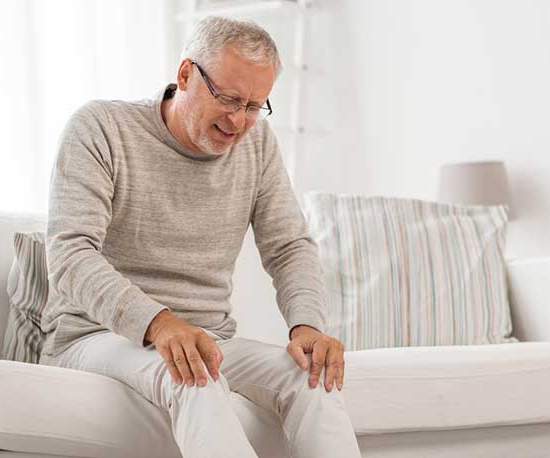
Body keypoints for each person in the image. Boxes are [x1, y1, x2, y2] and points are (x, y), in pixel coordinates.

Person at [38, 15, 361, 458]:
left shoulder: (257, 144)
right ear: (186, 74)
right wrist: (160, 323)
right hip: (94, 337)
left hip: (210, 339)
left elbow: (289, 248)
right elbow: (70, 256)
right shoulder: (101, 128)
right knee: (195, 377)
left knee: (311, 376)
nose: (239, 120)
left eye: (254, 105)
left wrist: (307, 326)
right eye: (229, 98)